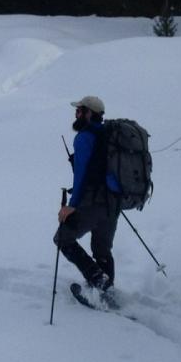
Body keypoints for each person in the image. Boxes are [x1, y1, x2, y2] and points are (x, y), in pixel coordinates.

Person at [55, 95, 121, 305]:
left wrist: (71, 207)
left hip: (92, 202)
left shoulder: (84, 138)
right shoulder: (109, 135)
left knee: (62, 239)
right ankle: (107, 294)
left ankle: (100, 282)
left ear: (89, 113)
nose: (76, 114)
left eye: (80, 110)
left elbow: (81, 175)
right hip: (113, 202)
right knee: (102, 249)